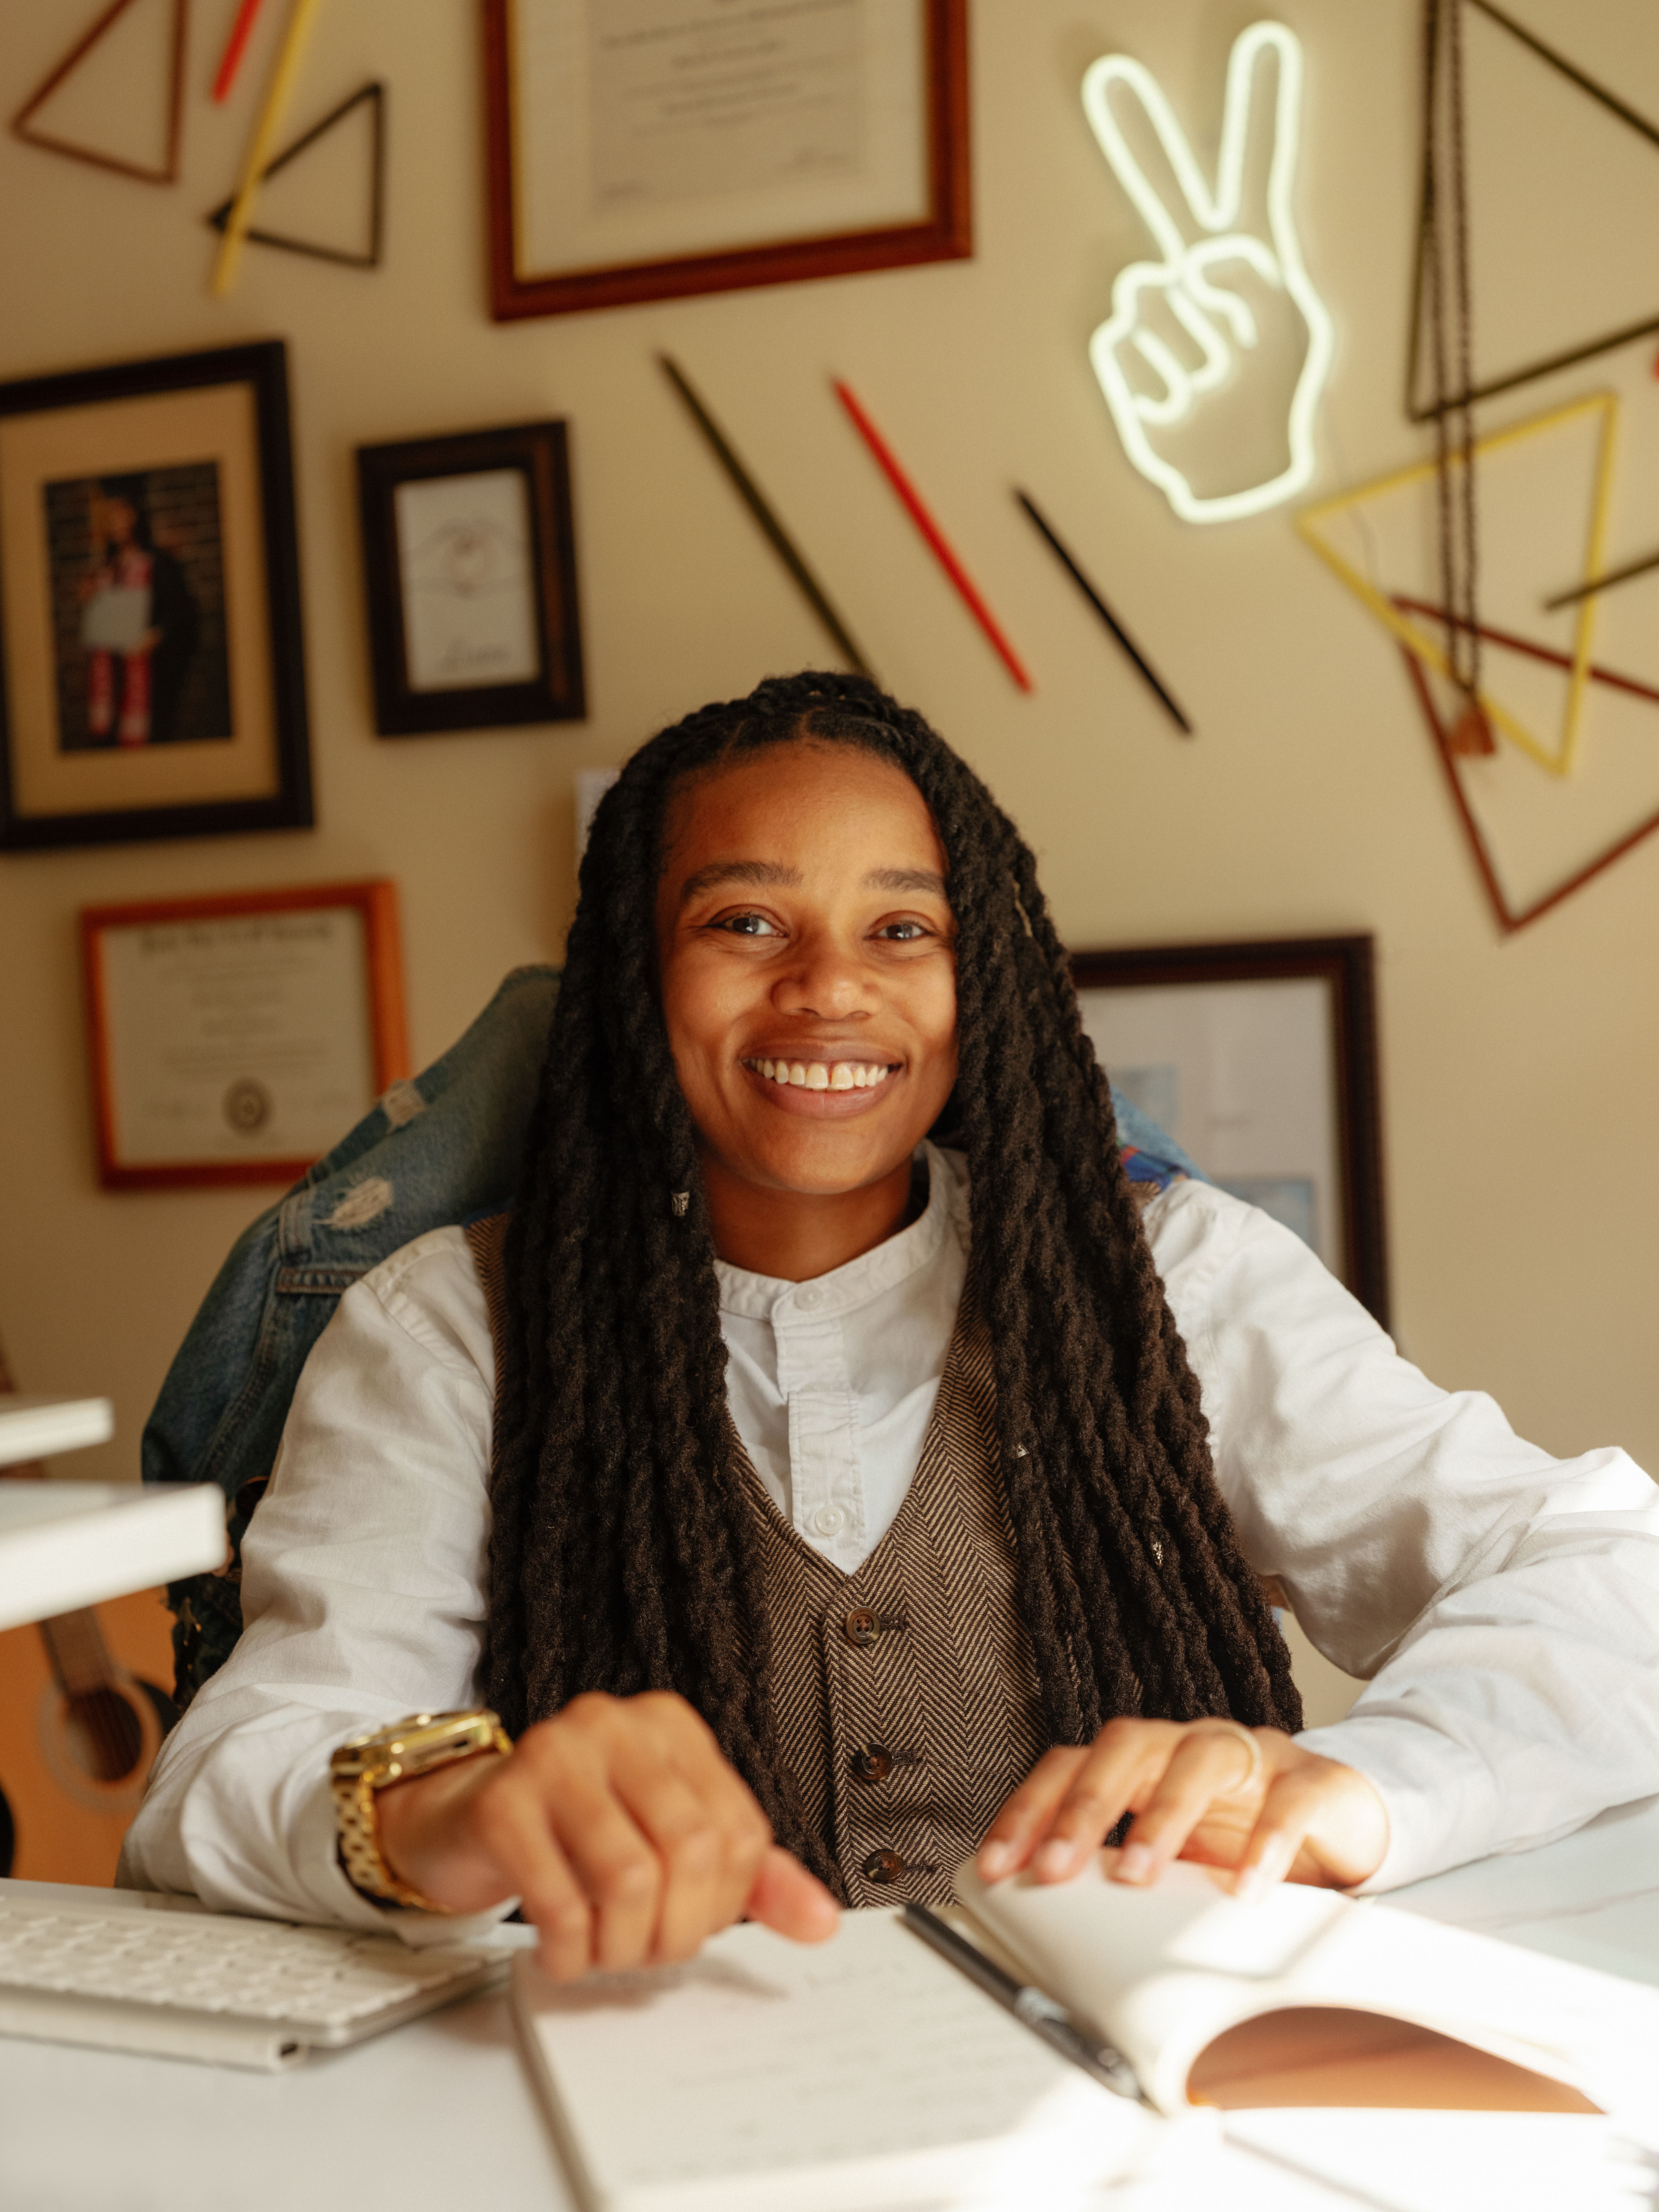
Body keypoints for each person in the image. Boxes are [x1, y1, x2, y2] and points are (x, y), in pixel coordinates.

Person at [122, 672, 1659, 1981]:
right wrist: (452, 1810)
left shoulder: (1172, 1276)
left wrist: (1358, 1784)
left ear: (976, 973)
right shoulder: (445, 1325)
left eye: (902, 929)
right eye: (743, 919)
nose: (826, 991)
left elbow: (1611, 1574)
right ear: (630, 980)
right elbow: (222, 1770)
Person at [75, 476, 199, 749]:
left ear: (136, 514)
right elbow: (100, 630)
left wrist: (154, 638)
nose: (115, 521)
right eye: (108, 515)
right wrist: (91, 604)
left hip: (147, 681)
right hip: (110, 683)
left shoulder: (160, 565)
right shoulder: (105, 569)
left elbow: (182, 617)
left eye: (121, 512)